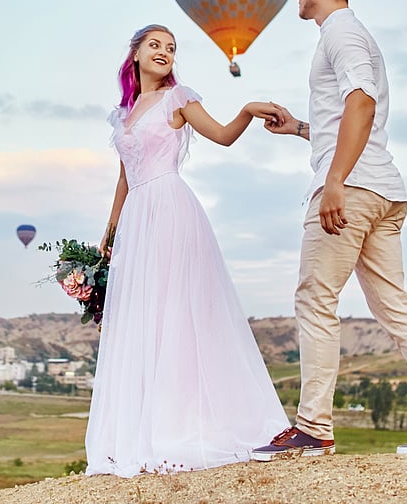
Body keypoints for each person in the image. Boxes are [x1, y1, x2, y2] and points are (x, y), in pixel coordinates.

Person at [250, 0, 407, 460]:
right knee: (397, 307)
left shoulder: (341, 33)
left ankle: (313, 428)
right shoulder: (352, 35)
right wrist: (300, 130)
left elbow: (361, 103)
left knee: (316, 299)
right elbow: (352, 119)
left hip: (350, 190)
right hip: (382, 189)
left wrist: (334, 180)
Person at [85, 24, 289, 477]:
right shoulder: (122, 115)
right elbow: (124, 178)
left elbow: (222, 136)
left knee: (175, 311)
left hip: (171, 209)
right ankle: (142, 427)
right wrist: (110, 231)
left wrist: (248, 110)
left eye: (172, 47)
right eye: (154, 45)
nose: (164, 52)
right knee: (141, 316)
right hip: (137, 217)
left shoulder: (179, 99)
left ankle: (179, 427)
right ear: (135, 53)